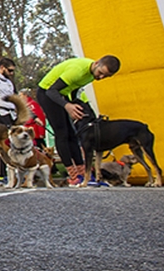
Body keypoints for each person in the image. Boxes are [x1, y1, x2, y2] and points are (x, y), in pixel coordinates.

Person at [37, 55, 120, 187]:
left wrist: (72, 102)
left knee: (73, 135)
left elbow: (73, 87)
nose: (100, 77)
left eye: (106, 76)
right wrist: (67, 106)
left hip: (62, 95)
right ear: (96, 63)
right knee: (62, 133)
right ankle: (73, 175)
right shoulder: (77, 70)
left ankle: (84, 173)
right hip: (47, 93)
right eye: (101, 73)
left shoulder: (91, 74)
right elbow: (51, 91)